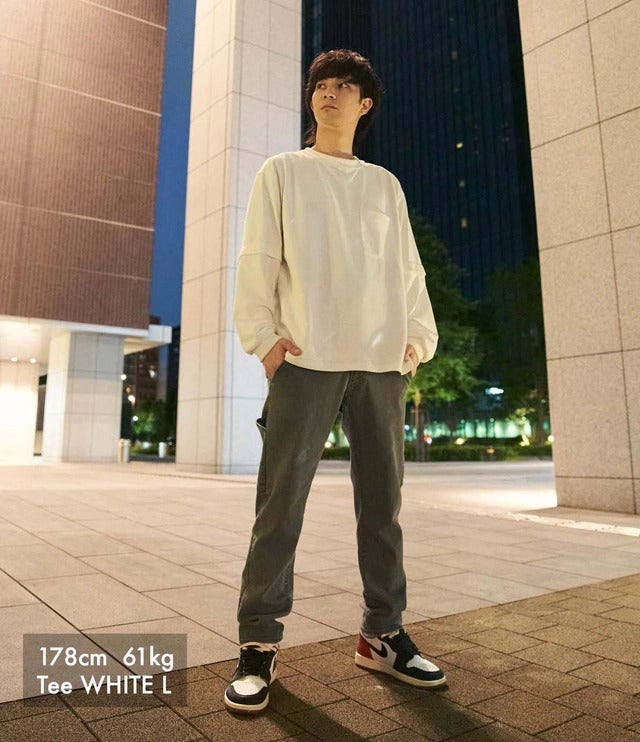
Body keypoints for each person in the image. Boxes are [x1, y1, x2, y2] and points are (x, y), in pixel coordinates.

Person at [225, 49, 445, 714]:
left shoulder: (383, 185)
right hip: (305, 361)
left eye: (345, 86)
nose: (330, 92)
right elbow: (258, 259)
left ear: (364, 104)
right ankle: (258, 645)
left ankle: (382, 634)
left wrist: (417, 340)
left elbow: (408, 270)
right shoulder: (282, 171)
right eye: (322, 84)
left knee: (383, 509)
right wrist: (264, 342)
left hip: (380, 365)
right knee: (279, 506)